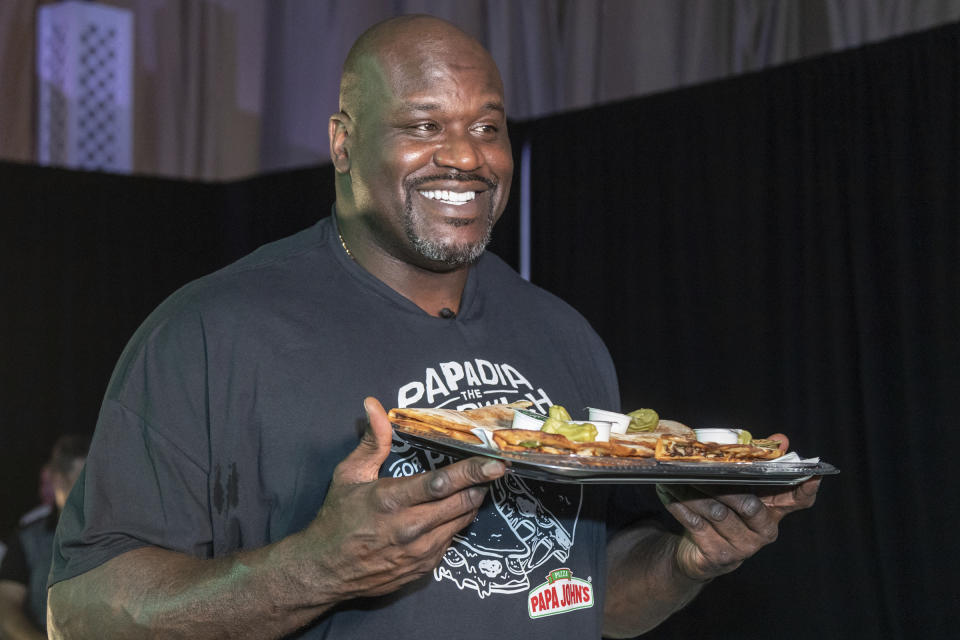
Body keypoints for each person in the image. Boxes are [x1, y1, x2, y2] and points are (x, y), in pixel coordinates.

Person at [46, 14, 819, 639]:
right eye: (424, 124)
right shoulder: (212, 332)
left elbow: (581, 595)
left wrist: (688, 561)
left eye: (487, 126)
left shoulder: (564, 337)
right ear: (343, 142)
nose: (465, 157)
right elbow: (78, 615)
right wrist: (316, 569)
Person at [0, 435, 89, 639]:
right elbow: (5, 604)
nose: (92, 494)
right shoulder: (30, 536)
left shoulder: (118, 532)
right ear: (58, 480)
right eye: (82, 484)